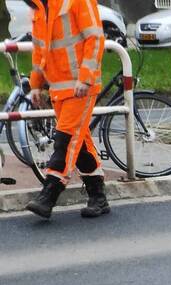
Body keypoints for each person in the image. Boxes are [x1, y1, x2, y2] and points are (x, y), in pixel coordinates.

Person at [24, 0, 109, 220]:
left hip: (81, 87)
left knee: (65, 139)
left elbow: (95, 38)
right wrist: (36, 84)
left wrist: (86, 77)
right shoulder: (39, 9)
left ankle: (49, 194)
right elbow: (39, 50)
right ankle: (98, 197)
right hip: (58, 89)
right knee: (78, 144)